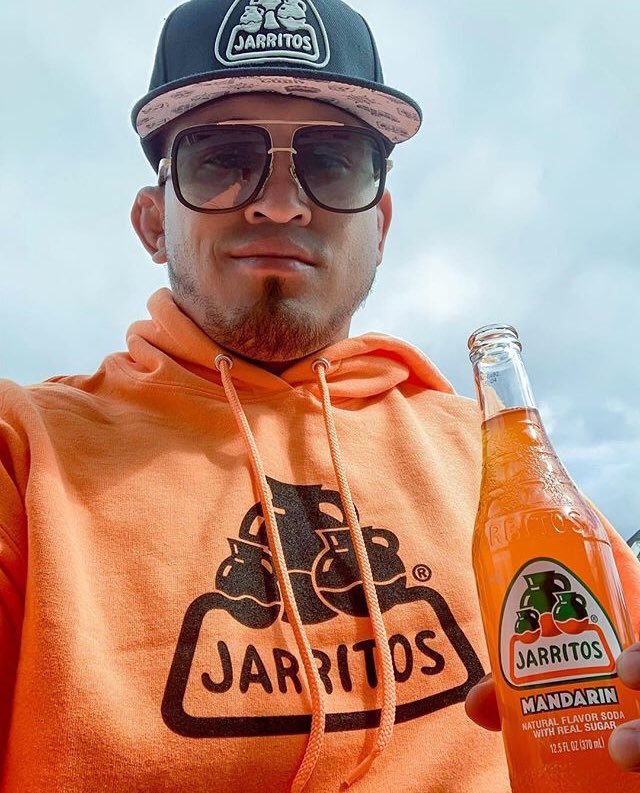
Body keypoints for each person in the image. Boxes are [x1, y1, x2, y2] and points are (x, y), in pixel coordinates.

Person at [0, 0, 638, 790]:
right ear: (153, 221)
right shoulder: (25, 455)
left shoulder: (492, 459)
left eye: (333, 160)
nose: (279, 203)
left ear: (382, 225)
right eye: (221, 156)